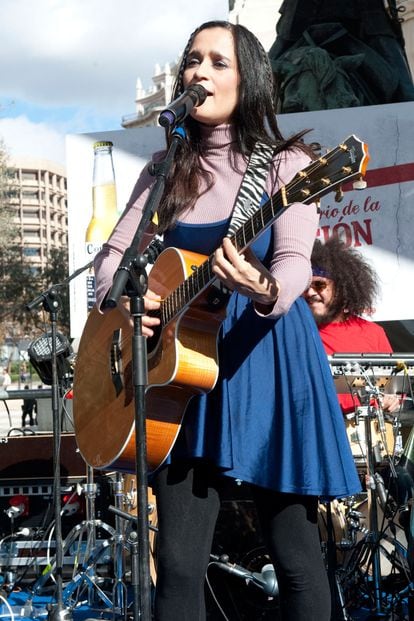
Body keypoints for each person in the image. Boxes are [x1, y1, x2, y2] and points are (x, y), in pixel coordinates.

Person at [94, 20, 361, 621]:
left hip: (268, 359)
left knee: (296, 559)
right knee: (179, 565)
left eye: (218, 62)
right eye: (193, 60)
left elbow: (292, 263)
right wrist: (130, 306)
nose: (200, 72)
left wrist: (262, 286)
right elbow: (111, 262)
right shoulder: (166, 170)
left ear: (251, 78)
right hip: (184, 382)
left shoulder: (288, 163)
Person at [303, 237, 400, 415]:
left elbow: (392, 386)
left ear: (341, 288)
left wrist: (392, 400)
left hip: (369, 435)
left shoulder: (373, 333)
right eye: (305, 286)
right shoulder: (295, 333)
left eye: (319, 285)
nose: (309, 292)